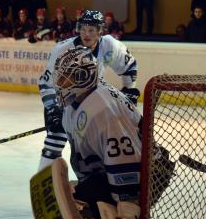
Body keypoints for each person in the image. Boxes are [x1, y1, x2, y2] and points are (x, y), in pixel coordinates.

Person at [48, 45, 146, 219]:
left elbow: (126, 162)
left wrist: (127, 212)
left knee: (82, 209)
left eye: (68, 78)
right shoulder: (80, 101)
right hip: (116, 171)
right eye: (61, 78)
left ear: (84, 77)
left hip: (142, 174)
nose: (61, 84)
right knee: (76, 200)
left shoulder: (103, 110)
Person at [37, 10, 139, 171]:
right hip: (65, 100)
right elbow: (46, 83)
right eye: (83, 29)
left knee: (94, 142)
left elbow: (129, 67)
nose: (86, 34)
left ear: (100, 31)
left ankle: (96, 180)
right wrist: (53, 109)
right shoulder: (63, 49)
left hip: (93, 101)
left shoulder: (109, 45)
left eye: (91, 30)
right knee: (56, 138)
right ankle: (42, 177)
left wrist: (128, 91)